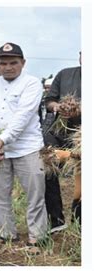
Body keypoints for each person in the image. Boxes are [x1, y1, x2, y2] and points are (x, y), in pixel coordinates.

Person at [0, 42, 48, 247]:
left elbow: (23, 116)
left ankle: (37, 235)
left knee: (35, 193)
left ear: (23, 63)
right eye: (3, 63)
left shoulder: (32, 83)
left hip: (28, 147)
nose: (8, 67)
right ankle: (7, 233)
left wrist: (2, 139)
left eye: (13, 62)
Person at [43, 52, 81, 231]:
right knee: (46, 167)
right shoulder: (65, 74)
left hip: (83, 136)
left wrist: (79, 110)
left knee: (82, 179)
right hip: (60, 132)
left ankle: (80, 221)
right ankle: (55, 220)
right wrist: (58, 107)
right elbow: (49, 101)